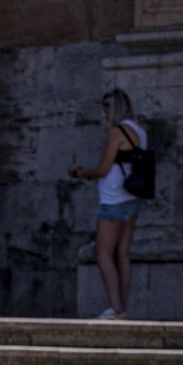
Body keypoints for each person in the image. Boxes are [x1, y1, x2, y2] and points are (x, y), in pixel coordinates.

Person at [68, 88, 147, 320]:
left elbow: (103, 169)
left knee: (102, 254)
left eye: (105, 106)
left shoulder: (117, 132)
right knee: (122, 254)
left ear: (115, 107)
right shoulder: (140, 131)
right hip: (134, 197)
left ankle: (115, 308)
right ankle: (122, 306)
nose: (103, 111)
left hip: (114, 198)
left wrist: (79, 172)